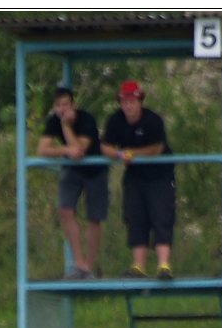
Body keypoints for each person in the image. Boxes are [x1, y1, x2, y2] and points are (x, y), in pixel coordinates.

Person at [100, 81, 176, 279]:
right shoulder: (115, 120)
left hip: (160, 175)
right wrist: (119, 154)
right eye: (124, 102)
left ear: (140, 101)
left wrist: (132, 153)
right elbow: (105, 146)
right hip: (135, 176)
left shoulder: (153, 120)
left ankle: (163, 265)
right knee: (135, 217)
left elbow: (157, 148)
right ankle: (139, 266)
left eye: (132, 102)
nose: (128, 106)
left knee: (161, 216)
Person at [36, 87, 108, 279]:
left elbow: (79, 150)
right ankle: (79, 264)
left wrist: (66, 127)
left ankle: (89, 267)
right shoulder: (54, 120)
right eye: (58, 105)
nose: (62, 109)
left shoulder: (86, 119)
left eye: (65, 105)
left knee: (94, 218)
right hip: (72, 169)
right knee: (65, 211)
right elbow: (42, 150)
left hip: (95, 170)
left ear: (73, 105)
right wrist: (65, 151)